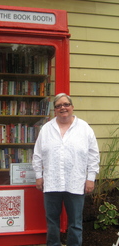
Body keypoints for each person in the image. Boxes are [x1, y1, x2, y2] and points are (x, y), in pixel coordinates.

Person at [32, 93, 100, 246]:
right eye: (58, 106)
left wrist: (91, 178)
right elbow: (37, 154)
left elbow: (93, 154)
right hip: (52, 182)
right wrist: (38, 176)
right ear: (54, 110)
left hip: (75, 182)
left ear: (72, 107)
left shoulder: (84, 128)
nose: (63, 108)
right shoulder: (46, 129)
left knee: (75, 223)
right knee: (52, 222)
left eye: (66, 104)